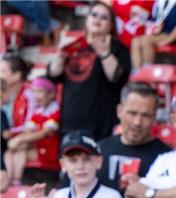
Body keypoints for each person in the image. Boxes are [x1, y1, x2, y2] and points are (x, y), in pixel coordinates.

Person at [47, 1, 132, 140]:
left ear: (111, 25)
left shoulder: (118, 48)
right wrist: (61, 53)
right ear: (87, 20)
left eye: (104, 17)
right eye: (94, 15)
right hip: (70, 124)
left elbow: (118, 79)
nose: (98, 19)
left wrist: (104, 53)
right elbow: (52, 75)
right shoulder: (74, 45)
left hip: (100, 126)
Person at [3, 77, 60, 186]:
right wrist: (19, 141)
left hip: (49, 153)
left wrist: (19, 140)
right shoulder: (38, 111)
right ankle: (7, 182)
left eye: (39, 91)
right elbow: (28, 130)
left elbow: (44, 133)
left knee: (21, 149)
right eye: (34, 92)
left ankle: (16, 180)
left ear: (52, 94)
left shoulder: (55, 110)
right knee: (9, 153)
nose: (36, 95)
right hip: (37, 149)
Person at [130, 0, 176, 70]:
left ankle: (148, 73)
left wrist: (167, 40)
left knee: (146, 40)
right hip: (161, 34)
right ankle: (137, 72)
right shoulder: (159, 2)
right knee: (135, 41)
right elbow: (154, 21)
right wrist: (142, 19)